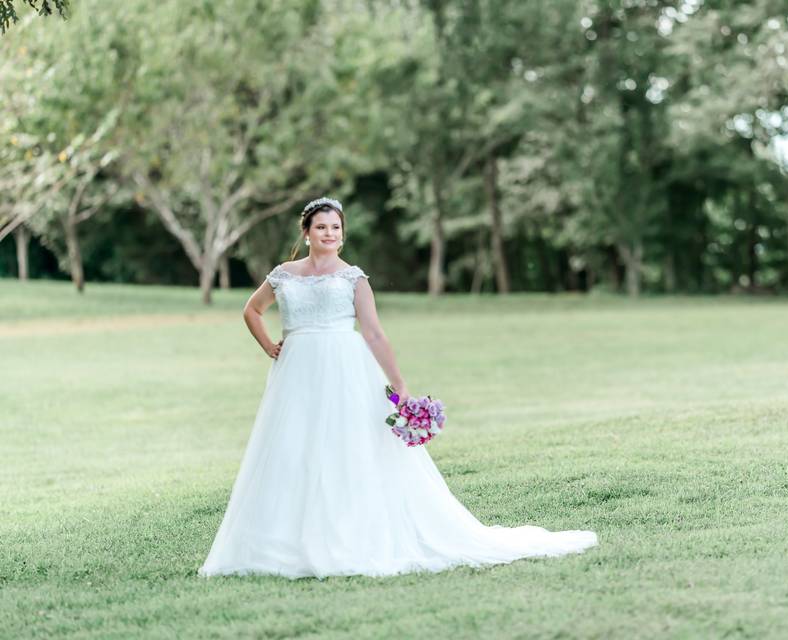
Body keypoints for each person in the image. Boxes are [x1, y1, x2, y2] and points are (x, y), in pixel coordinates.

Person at [198, 197, 598, 579]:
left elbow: (372, 332)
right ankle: (284, 542)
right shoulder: (284, 275)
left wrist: (399, 383)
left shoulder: (353, 278)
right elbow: (252, 309)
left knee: (348, 447)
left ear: (343, 233)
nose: (329, 233)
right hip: (296, 372)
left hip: (345, 368)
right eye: (321, 227)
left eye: (336, 227)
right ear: (306, 233)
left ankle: (349, 534)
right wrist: (269, 344)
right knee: (292, 448)